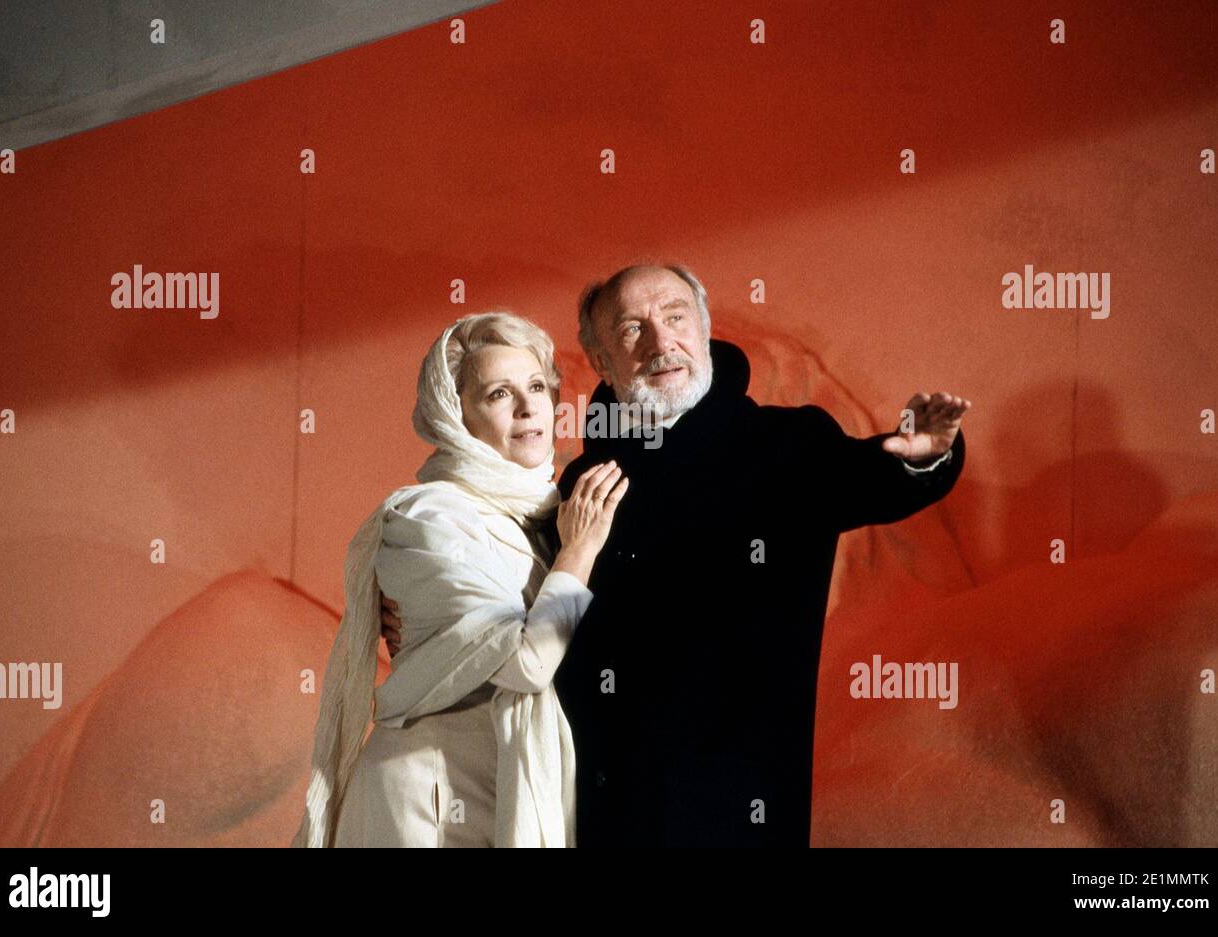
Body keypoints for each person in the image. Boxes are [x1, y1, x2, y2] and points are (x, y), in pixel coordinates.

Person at [383, 264, 971, 846]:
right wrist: (429, 623)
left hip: (734, 819)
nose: (662, 342)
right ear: (603, 361)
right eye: (633, 329)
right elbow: (525, 617)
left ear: (704, 329)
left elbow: (870, 476)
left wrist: (920, 456)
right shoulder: (580, 481)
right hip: (591, 817)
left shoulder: (783, 449)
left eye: (675, 316)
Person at [293, 312, 627, 847]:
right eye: (498, 394)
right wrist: (580, 550)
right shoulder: (428, 519)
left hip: (494, 790)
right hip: (426, 800)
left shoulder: (539, 514)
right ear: (455, 417)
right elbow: (528, 660)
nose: (527, 407)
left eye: (537, 386)